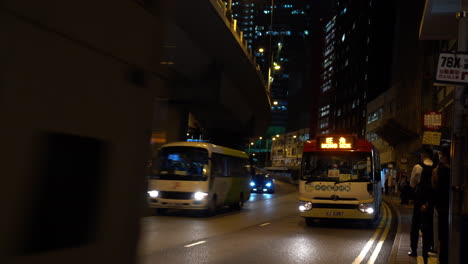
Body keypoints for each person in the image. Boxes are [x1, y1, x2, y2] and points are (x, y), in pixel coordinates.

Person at [409, 148, 436, 264]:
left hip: (419, 200)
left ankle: (414, 250)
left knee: (416, 225)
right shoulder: (436, 167)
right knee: (429, 225)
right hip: (432, 200)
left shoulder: (417, 167)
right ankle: (429, 248)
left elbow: (412, 184)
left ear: (423, 155)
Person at [432, 144, 450, 264]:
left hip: (442, 205)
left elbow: (435, 185)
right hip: (448, 204)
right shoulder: (453, 169)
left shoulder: (440, 170)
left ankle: (442, 258)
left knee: (442, 234)